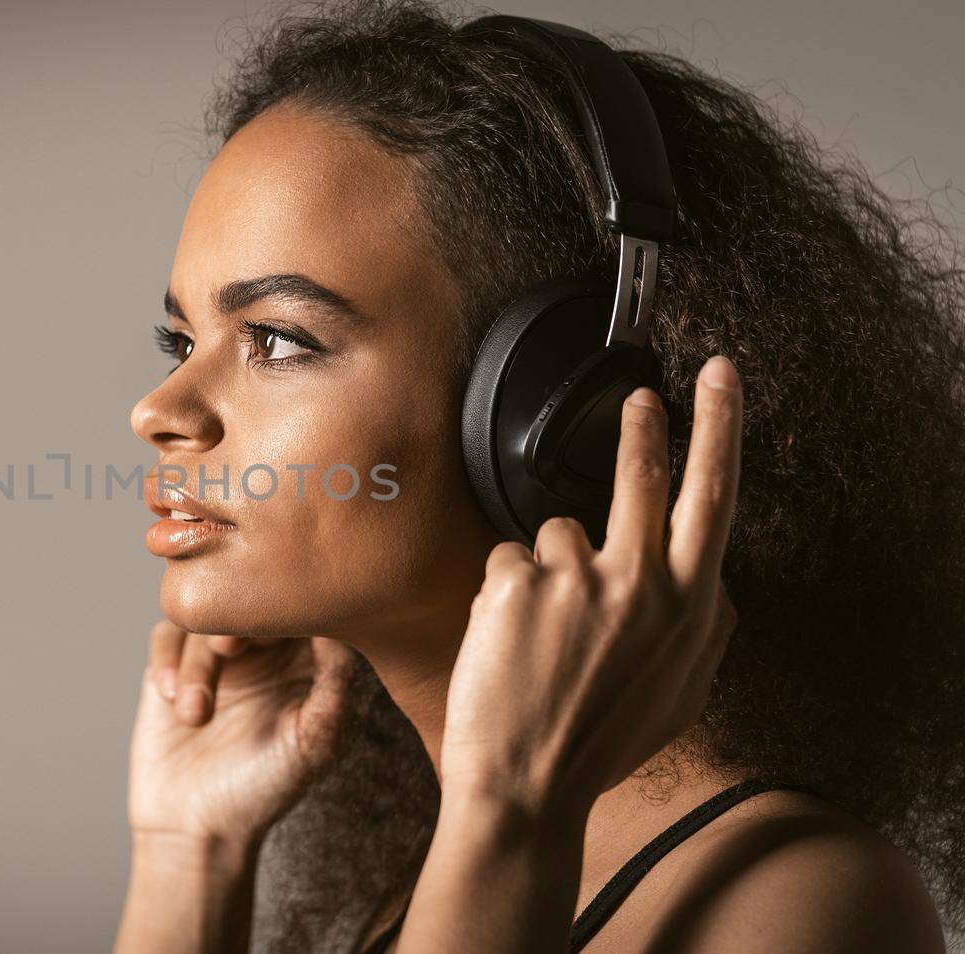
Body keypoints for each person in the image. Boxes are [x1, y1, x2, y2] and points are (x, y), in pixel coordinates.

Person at [110, 1, 965, 951]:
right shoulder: (456, 870)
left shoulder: (794, 902)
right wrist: (191, 853)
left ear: (555, 412)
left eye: (277, 339)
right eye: (180, 339)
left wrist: (512, 811)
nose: (160, 411)